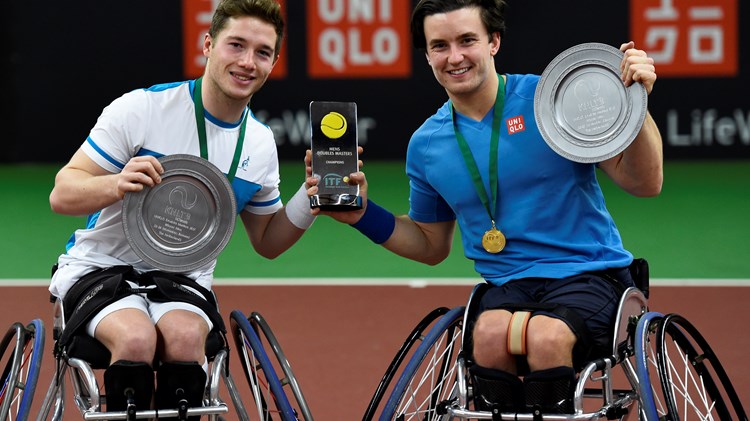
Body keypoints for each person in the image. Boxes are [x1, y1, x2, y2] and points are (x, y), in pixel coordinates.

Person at [306, 0, 662, 414]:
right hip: (508, 286)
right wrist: (363, 215)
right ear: (427, 55)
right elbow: (429, 243)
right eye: (439, 45)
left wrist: (637, 106)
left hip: (590, 276)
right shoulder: (427, 144)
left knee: (547, 338)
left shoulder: (550, 99)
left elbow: (644, 183)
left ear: (493, 42)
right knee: (489, 336)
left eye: (467, 40)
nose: (454, 57)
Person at [48, 0, 315, 415]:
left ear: (274, 61)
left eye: (262, 52)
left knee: (187, 340)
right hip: (100, 268)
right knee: (136, 339)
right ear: (208, 44)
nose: (247, 62)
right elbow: (62, 193)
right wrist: (115, 184)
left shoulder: (259, 142)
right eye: (236, 46)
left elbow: (267, 240)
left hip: (182, 280)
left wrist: (312, 198)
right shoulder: (143, 109)